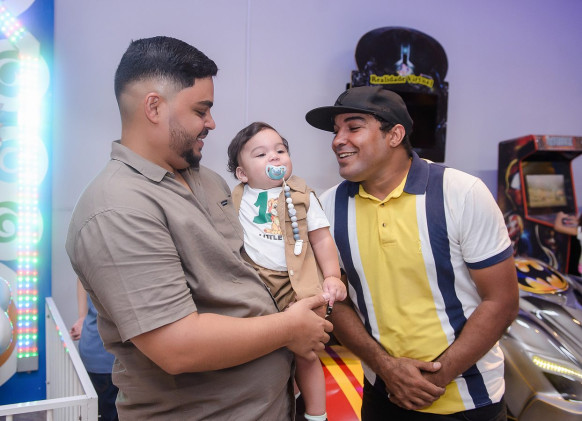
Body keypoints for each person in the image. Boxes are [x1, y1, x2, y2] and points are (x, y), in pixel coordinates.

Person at [65, 36, 332, 421]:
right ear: (154, 107)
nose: (211, 123)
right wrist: (289, 329)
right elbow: (176, 346)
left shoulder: (208, 180)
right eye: (201, 110)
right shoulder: (116, 208)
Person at [305, 85, 519, 420]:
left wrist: (433, 379)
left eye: (353, 127)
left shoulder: (461, 193)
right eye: (336, 131)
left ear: (394, 135)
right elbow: (337, 300)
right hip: (383, 392)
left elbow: (501, 302)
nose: (337, 140)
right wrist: (387, 368)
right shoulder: (327, 207)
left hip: (470, 401)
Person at [227, 122, 347, 421]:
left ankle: (316, 414)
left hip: (300, 286)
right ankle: (284, 398)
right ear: (242, 173)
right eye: (261, 154)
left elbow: (321, 238)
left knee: (306, 353)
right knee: (267, 351)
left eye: (280, 150)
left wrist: (332, 275)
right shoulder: (235, 199)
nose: (274, 157)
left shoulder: (302, 196)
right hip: (257, 286)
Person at [70, 278, 119, 421]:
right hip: (107, 356)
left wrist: (82, 317)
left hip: (96, 351)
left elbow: (81, 277)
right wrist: (82, 318)